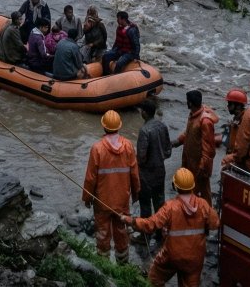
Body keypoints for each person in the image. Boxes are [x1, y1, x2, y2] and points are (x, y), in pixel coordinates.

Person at [122, 167, 219, 287]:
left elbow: (150, 224)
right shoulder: (203, 205)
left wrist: (132, 221)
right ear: (192, 186)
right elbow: (215, 223)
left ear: (175, 186)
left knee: (154, 280)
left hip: (172, 256)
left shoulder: (171, 207)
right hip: (195, 258)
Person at [82, 110, 139, 266]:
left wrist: (87, 198)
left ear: (104, 127)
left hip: (103, 200)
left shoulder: (97, 148)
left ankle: (104, 264)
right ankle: (123, 264)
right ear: (119, 127)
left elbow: (90, 178)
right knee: (121, 231)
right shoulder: (128, 146)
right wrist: (136, 194)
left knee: (102, 232)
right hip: (122, 200)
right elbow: (134, 174)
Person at [174, 90, 218, 204]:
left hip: (199, 165)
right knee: (190, 190)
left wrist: (202, 168)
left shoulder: (205, 121)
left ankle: (207, 216)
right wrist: (177, 141)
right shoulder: (193, 115)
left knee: (203, 193)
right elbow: (189, 134)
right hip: (190, 162)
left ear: (190, 103)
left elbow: (208, 149)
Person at [136, 99, 172, 220]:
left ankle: (145, 233)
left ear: (145, 113)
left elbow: (141, 157)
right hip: (160, 171)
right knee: (160, 202)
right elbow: (168, 151)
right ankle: (160, 232)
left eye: (141, 110)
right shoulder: (163, 126)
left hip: (146, 174)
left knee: (145, 204)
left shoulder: (144, 130)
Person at [102, 10, 141, 75]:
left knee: (119, 63)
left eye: (118, 18)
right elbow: (117, 41)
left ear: (123, 19)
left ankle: (115, 77)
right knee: (105, 57)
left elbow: (137, 45)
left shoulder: (132, 30)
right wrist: (113, 50)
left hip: (129, 53)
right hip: (120, 50)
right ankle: (106, 74)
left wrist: (136, 57)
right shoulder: (119, 27)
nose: (117, 20)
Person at [220, 88, 249, 158]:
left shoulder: (245, 120)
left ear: (238, 105)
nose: (227, 106)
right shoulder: (237, 118)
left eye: (230, 104)